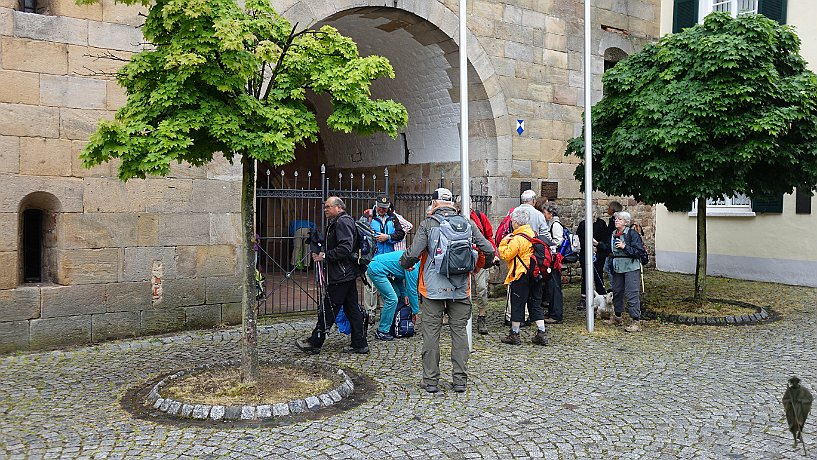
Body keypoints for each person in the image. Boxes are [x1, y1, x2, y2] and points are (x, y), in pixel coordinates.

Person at [400, 188, 495, 394]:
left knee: (431, 335)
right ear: (452, 203)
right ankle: (460, 381)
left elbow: (413, 253)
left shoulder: (427, 224)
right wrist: (479, 267)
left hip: (432, 289)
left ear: (434, 204)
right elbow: (488, 249)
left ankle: (431, 381)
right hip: (460, 288)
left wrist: (405, 263)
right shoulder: (467, 223)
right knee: (459, 333)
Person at [296, 197, 369, 354]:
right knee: (352, 309)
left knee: (328, 308)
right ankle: (359, 343)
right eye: (325, 207)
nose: (325, 209)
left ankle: (315, 342)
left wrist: (324, 256)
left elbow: (345, 248)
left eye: (328, 207)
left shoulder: (343, 222)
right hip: (345, 273)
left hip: (341, 274)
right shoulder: (338, 222)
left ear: (339, 207)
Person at [497, 208, 548, 346]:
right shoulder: (533, 234)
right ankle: (541, 332)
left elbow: (506, 255)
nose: (512, 223)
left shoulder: (517, 238)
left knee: (518, 304)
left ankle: (515, 334)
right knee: (535, 303)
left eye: (513, 221)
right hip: (535, 273)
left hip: (521, 274)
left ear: (517, 223)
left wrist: (503, 242)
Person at [455, 195, 498, 335]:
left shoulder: (480, 217)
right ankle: (459, 317)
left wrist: (494, 254)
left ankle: (481, 316)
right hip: (461, 259)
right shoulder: (454, 219)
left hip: (480, 257)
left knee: (481, 288)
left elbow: (489, 236)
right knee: (459, 289)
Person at [363, 196, 406, 324]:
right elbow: (361, 232)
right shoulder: (368, 217)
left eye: (385, 208)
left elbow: (401, 233)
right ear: (376, 205)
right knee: (370, 286)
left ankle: (384, 311)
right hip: (372, 257)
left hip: (387, 258)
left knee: (386, 286)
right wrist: (373, 237)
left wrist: (388, 237)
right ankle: (370, 313)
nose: (382, 210)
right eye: (380, 207)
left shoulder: (393, 218)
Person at [366, 250, 420, 341]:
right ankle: (382, 331)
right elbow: (412, 289)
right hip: (377, 269)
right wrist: (415, 311)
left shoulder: (411, 257)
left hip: (381, 268)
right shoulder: (414, 265)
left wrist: (404, 294)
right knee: (392, 299)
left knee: (398, 297)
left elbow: (398, 278)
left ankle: (394, 326)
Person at [606, 211, 646, 332]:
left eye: (619, 219)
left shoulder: (632, 234)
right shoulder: (613, 234)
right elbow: (609, 249)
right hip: (618, 267)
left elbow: (639, 252)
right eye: (616, 219)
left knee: (631, 294)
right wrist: (597, 245)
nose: (616, 221)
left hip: (631, 268)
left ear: (626, 222)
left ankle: (636, 321)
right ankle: (617, 317)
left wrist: (625, 247)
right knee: (617, 292)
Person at [575, 212, 610, 310]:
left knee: (598, 275)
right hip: (585, 254)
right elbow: (579, 239)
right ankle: (584, 298)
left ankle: (602, 298)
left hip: (598, 255)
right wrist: (586, 247)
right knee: (585, 275)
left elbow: (605, 239)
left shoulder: (601, 224)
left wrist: (597, 246)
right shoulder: (583, 224)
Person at [542, 203, 565, 324]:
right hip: (552, 258)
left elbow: (558, 241)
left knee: (555, 286)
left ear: (551, 214)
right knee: (551, 286)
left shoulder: (555, 225)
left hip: (554, 259)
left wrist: (548, 243)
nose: (543, 215)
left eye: (545, 212)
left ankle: (556, 315)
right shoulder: (551, 224)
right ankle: (552, 312)